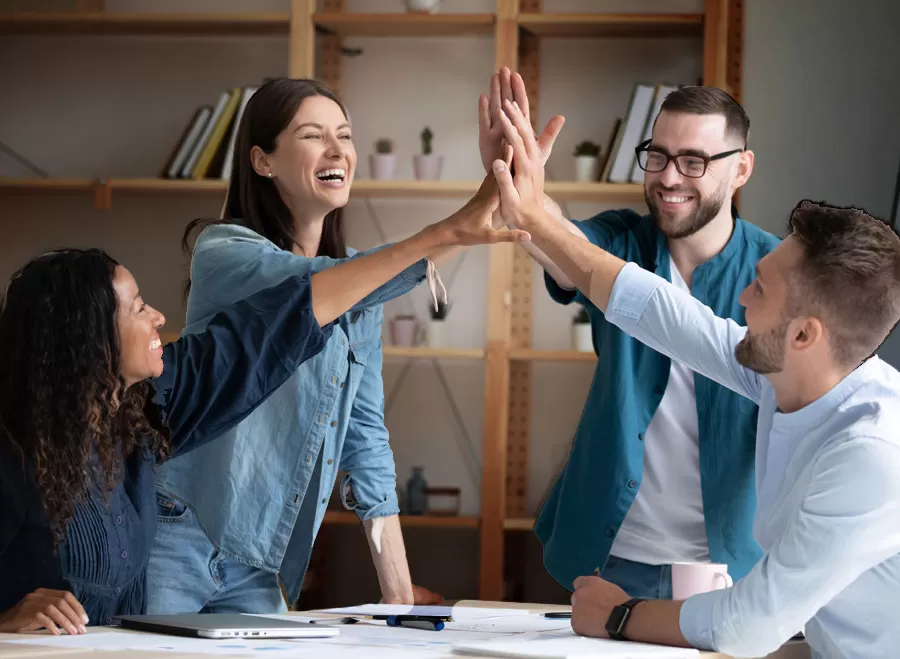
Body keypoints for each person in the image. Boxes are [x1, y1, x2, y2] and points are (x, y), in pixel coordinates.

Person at [0, 170, 526, 633]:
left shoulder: (150, 406)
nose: (159, 316)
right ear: (87, 337)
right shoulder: (12, 453)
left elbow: (278, 324)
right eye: (137, 308)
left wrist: (454, 232)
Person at [489, 96, 900, 658]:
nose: (740, 299)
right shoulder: (785, 375)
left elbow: (749, 625)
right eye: (659, 156)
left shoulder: (872, 452)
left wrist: (620, 617)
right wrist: (531, 211)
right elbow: (662, 314)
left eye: (759, 291)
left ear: (804, 335)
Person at [147, 77, 540, 613]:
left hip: (256, 556)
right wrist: (457, 225)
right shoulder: (224, 252)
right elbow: (310, 291)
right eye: (313, 135)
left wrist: (398, 592)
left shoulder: (359, 288)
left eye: (345, 135)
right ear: (263, 161)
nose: (337, 150)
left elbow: (366, 439)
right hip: (176, 534)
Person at [478, 68, 780, 598]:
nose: (668, 177)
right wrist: (518, 184)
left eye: (694, 161)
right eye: (658, 155)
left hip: (734, 564)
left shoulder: (777, 272)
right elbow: (564, 247)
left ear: (741, 170)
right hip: (610, 557)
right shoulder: (620, 241)